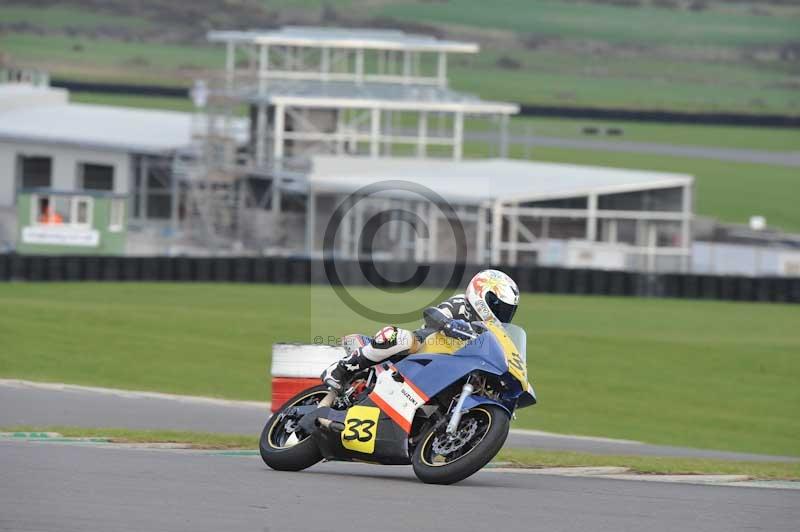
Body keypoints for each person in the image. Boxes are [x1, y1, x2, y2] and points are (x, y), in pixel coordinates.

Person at [321, 269, 520, 392]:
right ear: (482, 295)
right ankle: (342, 369)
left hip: (452, 368)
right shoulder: (462, 304)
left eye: (507, 311)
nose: (502, 314)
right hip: (424, 349)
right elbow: (432, 314)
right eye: (498, 306)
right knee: (401, 338)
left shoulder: (491, 331)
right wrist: (448, 324)